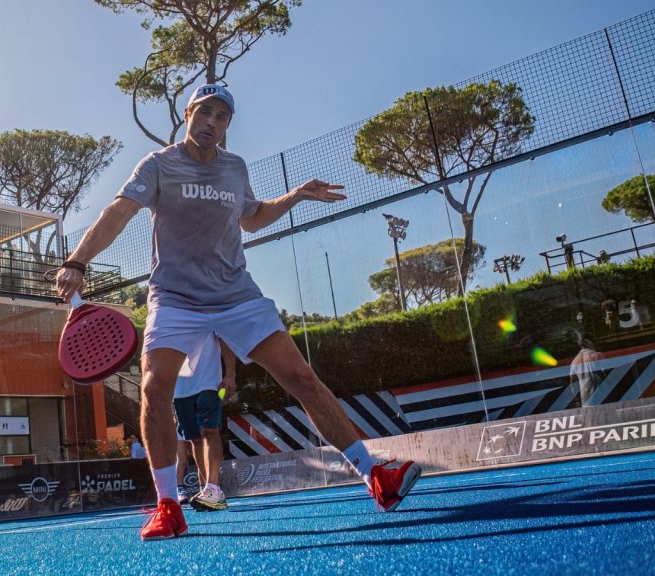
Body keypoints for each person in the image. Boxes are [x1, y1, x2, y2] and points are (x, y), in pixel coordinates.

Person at [54, 84, 422, 541]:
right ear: (188, 114)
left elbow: (250, 217)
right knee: (154, 389)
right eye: (204, 112)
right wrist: (77, 262)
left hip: (236, 296)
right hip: (174, 299)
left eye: (222, 116)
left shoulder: (235, 168)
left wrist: (296, 195)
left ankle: (375, 478)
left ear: (228, 125)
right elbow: (119, 211)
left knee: (301, 378)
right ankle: (168, 506)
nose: (212, 122)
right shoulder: (158, 165)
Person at [174, 337, 235, 512]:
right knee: (194, 439)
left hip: (209, 382)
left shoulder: (208, 309)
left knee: (209, 431)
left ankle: (213, 487)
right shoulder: (168, 314)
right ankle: (208, 489)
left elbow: (225, 339)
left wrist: (230, 373)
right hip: (179, 388)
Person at [570, 333, 604, 406]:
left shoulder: (574, 361)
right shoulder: (597, 355)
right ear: (590, 342)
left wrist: (577, 400)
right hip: (601, 398)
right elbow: (608, 376)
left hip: (585, 401)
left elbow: (574, 386)